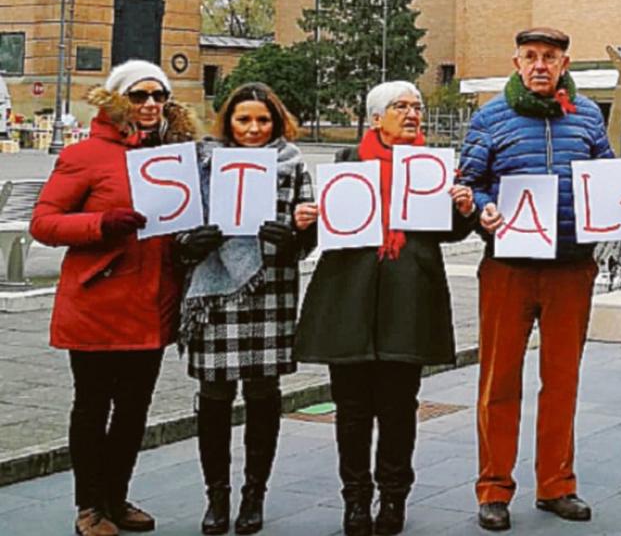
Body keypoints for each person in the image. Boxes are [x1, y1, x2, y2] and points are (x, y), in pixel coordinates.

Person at [459, 27, 621, 531]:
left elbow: (605, 175)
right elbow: (468, 184)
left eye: (550, 57)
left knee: (562, 381)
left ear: (564, 64)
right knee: (499, 381)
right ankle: (493, 487)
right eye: (531, 56)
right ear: (516, 62)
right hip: (509, 267)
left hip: (570, 266)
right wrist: (485, 209)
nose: (541, 65)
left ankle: (557, 484)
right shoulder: (490, 117)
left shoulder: (586, 119)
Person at [295, 81, 479, 536]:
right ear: (377, 118)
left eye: (417, 106)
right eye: (401, 106)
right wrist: (307, 221)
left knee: (400, 408)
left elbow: (448, 233)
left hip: (409, 297)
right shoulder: (346, 164)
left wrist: (463, 209)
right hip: (348, 299)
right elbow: (322, 236)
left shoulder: (433, 168)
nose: (413, 113)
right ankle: (355, 499)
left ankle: (393, 497)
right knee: (352, 409)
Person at [31, 60, 196, 536]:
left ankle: (117, 498)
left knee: (133, 412)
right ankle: (90, 506)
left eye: (159, 96)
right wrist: (102, 225)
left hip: (151, 304)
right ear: (118, 99)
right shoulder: (87, 155)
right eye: (139, 95)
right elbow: (44, 222)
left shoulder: (172, 153)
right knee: (92, 407)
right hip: (98, 303)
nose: (150, 105)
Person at [176, 83, 318, 535]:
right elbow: (174, 221)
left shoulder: (294, 165)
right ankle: (216, 496)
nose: (254, 129)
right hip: (213, 294)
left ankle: (254, 494)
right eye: (244, 120)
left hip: (270, 290)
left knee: (262, 397)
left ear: (276, 122)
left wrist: (296, 237)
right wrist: (187, 244)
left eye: (263, 120)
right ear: (228, 122)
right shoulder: (199, 164)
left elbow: (310, 232)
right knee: (214, 398)